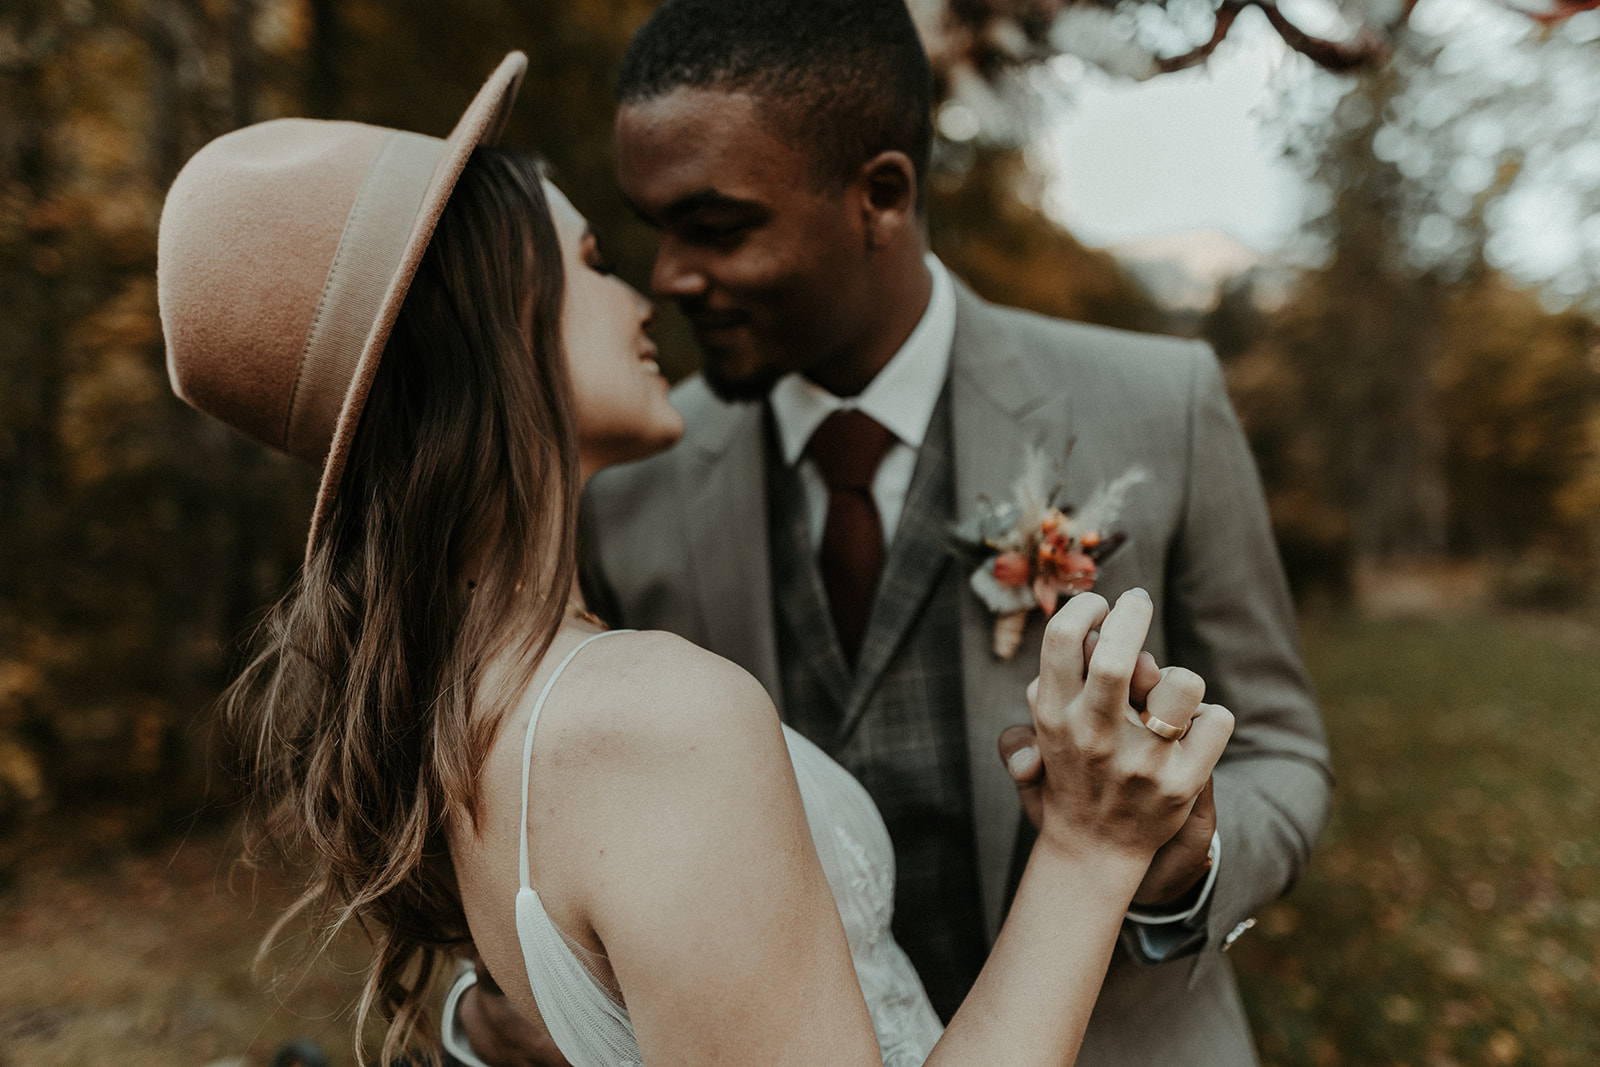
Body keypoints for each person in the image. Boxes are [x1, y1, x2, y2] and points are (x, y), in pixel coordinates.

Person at [157, 52, 1233, 1067]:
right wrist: (1090, 847)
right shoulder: (653, 718)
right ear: (494, 323)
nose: (647, 296)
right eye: (592, 262)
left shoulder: (475, 708)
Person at [451, 1, 1334, 1064]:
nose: (671, 276)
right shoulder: (631, 483)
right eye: (655, 228)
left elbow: (1283, 750)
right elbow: (547, 796)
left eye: (717, 228)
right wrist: (498, 999)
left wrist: (1182, 865)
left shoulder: (1159, 402)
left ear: (881, 196)